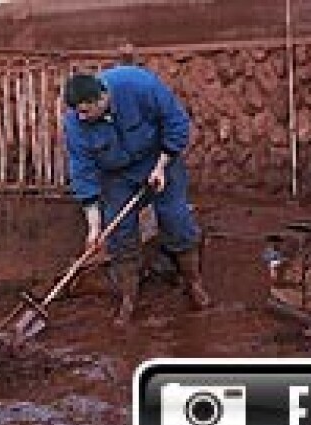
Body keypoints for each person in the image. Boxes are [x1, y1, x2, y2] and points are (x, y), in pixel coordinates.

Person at [63, 64, 212, 325]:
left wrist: (161, 166)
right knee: (120, 233)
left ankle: (194, 284)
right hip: (117, 176)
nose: (81, 118)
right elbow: (83, 172)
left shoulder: (138, 85)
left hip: (158, 160)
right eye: (77, 113)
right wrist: (94, 228)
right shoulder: (76, 123)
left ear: (101, 99)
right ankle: (128, 298)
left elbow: (175, 122)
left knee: (176, 219)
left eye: (85, 111)